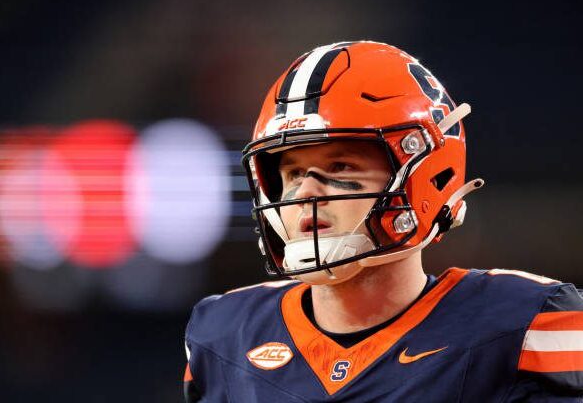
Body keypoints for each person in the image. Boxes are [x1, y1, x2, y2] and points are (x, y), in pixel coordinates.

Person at [183, 41, 583, 402]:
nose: (306, 193)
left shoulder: (526, 324)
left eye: (339, 166)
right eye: (291, 174)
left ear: (423, 176)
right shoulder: (223, 334)